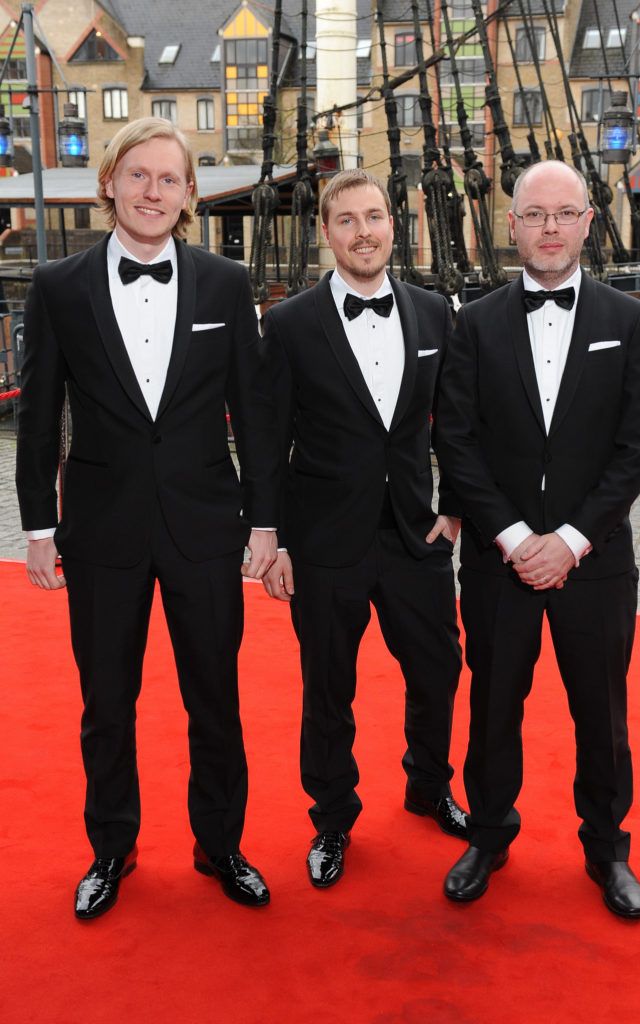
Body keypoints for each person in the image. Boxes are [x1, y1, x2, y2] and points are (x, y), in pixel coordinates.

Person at [15, 118, 280, 918]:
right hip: (100, 530)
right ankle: (111, 849)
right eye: (138, 176)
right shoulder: (58, 286)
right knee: (106, 701)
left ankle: (221, 845)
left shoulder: (225, 284)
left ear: (189, 194)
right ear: (109, 184)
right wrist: (37, 526)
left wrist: (266, 523)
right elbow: (38, 413)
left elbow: (256, 413)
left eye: (169, 179)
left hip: (205, 524)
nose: (152, 192)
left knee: (215, 697)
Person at [436, 160, 640, 918]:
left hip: (594, 566)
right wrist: (509, 537)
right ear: (513, 226)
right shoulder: (473, 321)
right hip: (499, 568)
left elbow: (637, 452)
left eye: (565, 214)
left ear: (588, 222)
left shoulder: (629, 323)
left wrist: (567, 541)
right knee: (495, 708)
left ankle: (607, 850)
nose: (551, 228)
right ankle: (490, 835)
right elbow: (457, 442)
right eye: (535, 215)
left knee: (601, 715)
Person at [260, 169, 465, 889]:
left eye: (375, 216)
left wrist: (456, 505)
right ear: (325, 232)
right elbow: (266, 441)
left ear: (393, 223)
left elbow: (459, 424)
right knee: (328, 687)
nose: (364, 231)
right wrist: (275, 539)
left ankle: (428, 784)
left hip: (416, 535)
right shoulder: (287, 325)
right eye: (346, 220)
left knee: (439, 670)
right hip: (323, 541)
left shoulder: (436, 312)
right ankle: (333, 820)